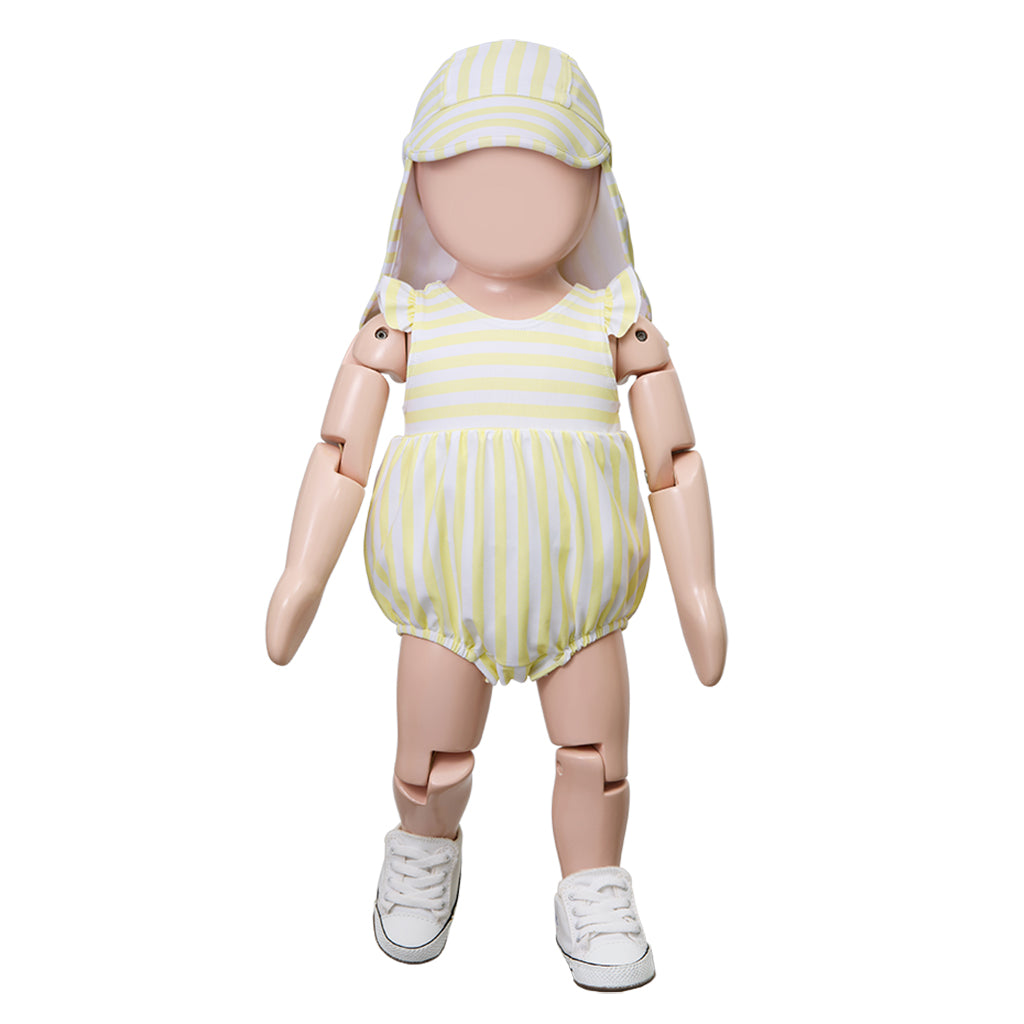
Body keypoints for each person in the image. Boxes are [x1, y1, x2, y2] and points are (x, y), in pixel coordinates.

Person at [267, 40, 727, 992]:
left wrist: (700, 591)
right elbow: (340, 451)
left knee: (595, 759)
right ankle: (424, 846)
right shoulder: (409, 318)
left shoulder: (611, 320)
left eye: (542, 173)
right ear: (420, 184)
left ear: (593, 185)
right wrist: (299, 576)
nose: (506, 202)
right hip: (443, 589)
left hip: (582, 590)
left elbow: (675, 461)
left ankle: (592, 882)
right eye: (469, 172)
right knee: (430, 757)